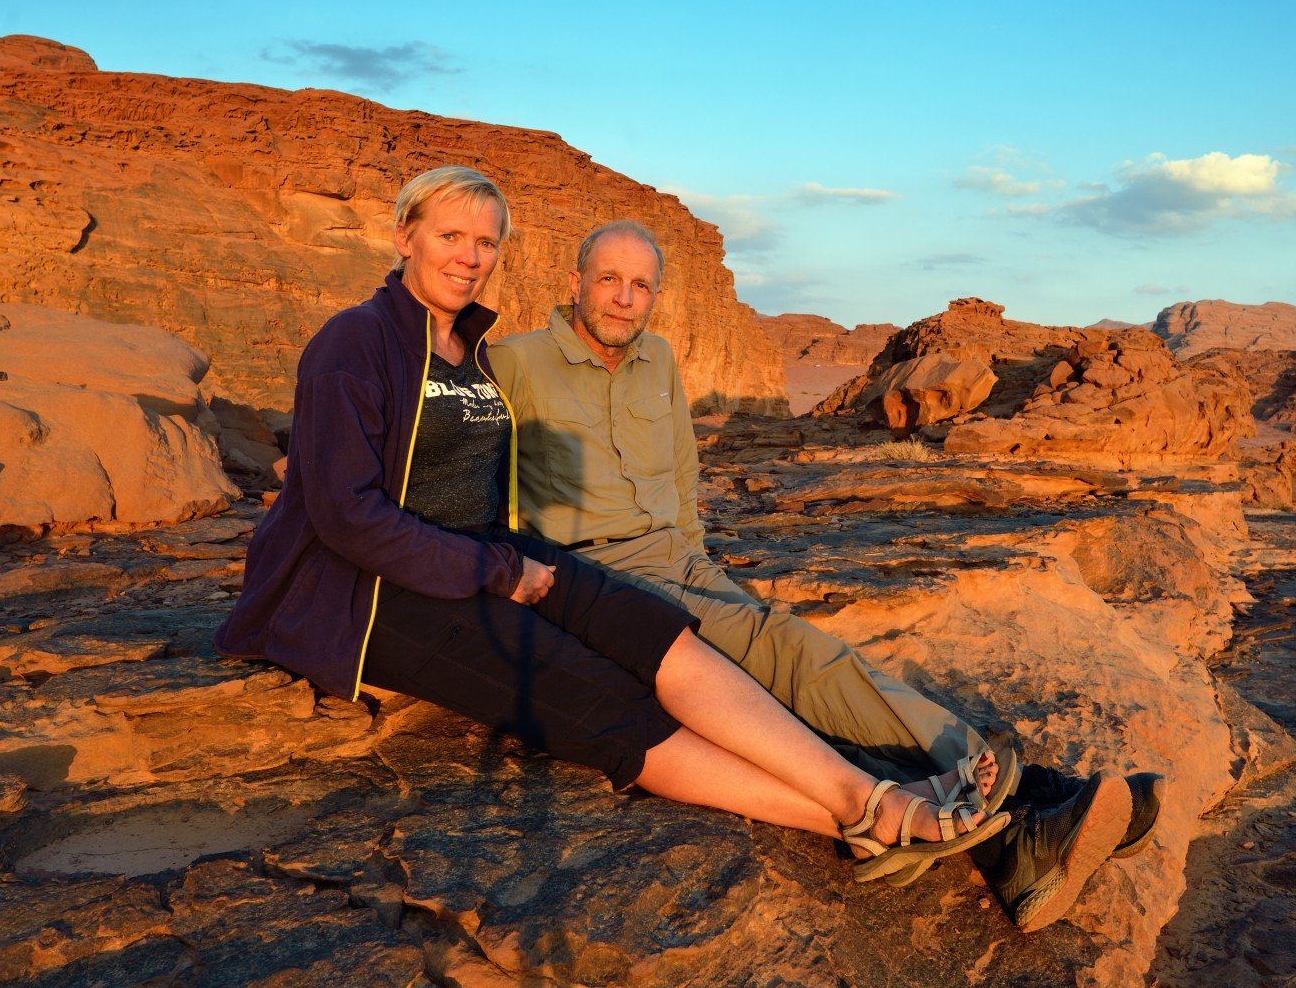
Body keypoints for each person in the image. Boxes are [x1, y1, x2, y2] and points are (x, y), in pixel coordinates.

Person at [215, 167, 1009, 888]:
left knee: (653, 629)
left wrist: (522, 562)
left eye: (485, 241)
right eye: (450, 235)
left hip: (475, 553)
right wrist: (500, 575)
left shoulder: (464, 346)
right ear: (403, 237)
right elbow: (346, 515)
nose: (469, 255)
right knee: (595, 692)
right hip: (368, 592)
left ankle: (869, 787)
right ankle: (858, 813)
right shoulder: (353, 342)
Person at [490, 219, 1164, 931]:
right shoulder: (516, 364)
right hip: (601, 571)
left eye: (640, 285)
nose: (624, 298)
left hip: (682, 560)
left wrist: (697, 556)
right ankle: (1015, 796)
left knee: (782, 680)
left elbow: (683, 475)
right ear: (574, 283)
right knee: (797, 659)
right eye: (608, 280)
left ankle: (1022, 827)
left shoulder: (656, 357)